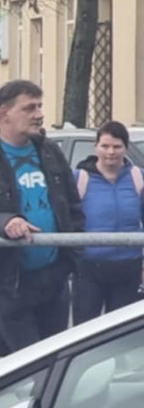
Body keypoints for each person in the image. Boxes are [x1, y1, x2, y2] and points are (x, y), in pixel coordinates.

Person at [0, 79, 83, 357]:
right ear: (4, 113)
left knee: (35, 355)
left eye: (40, 106)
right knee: (33, 360)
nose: (39, 114)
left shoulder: (50, 152)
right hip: (11, 281)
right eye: (29, 108)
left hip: (53, 278)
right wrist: (4, 223)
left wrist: (72, 258)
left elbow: (72, 206)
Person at [71, 122, 144, 325]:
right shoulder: (79, 179)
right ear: (96, 147)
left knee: (122, 331)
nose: (111, 152)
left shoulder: (138, 178)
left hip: (129, 268)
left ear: (126, 148)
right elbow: (68, 221)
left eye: (117, 146)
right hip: (89, 269)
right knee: (84, 330)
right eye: (105, 146)